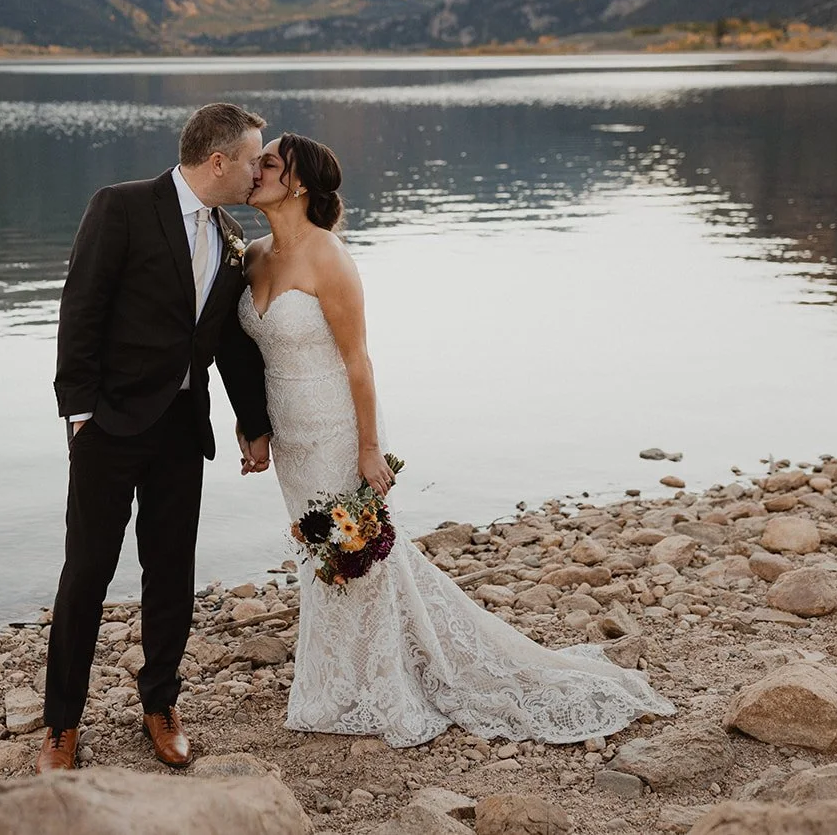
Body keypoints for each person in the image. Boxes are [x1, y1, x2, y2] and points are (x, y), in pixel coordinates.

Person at [239, 132, 675, 745]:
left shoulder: (328, 257)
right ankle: (336, 681)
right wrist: (248, 424)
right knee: (319, 554)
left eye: (268, 164)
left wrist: (368, 449)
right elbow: (244, 356)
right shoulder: (253, 255)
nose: (253, 172)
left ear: (299, 183)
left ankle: (381, 685)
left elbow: (359, 363)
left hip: (338, 428)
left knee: (354, 555)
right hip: (290, 435)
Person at [38, 103, 274, 772]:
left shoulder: (231, 236)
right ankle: (61, 723)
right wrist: (79, 414)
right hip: (108, 427)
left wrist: (253, 425)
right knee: (86, 573)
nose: (259, 170)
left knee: (172, 572)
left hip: (180, 430)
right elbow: (79, 309)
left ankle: (161, 701)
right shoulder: (121, 207)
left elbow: (227, 341)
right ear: (219, 160)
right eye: (253, 158)